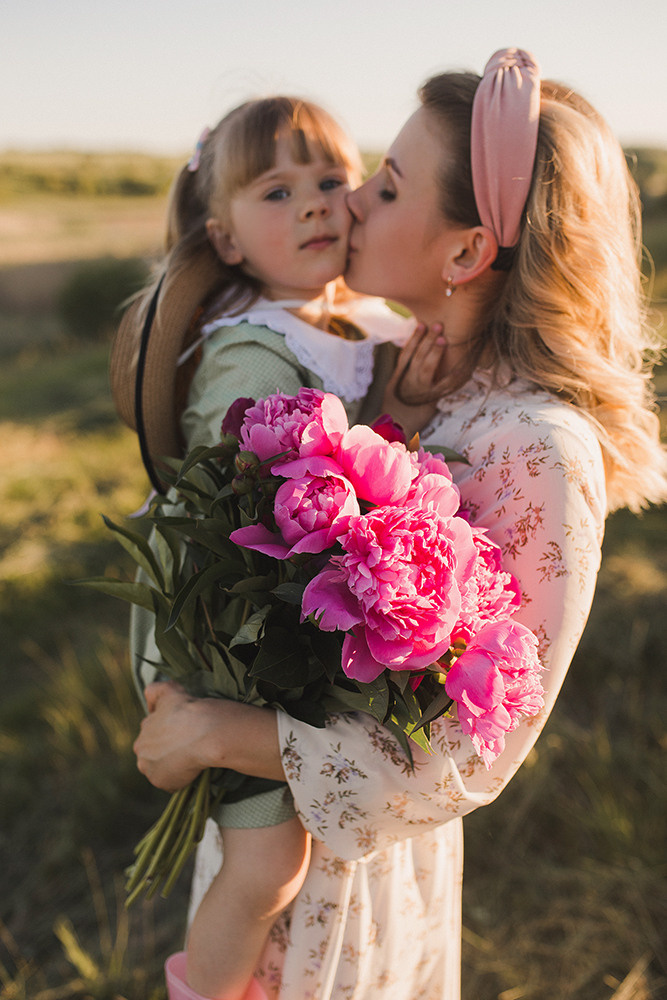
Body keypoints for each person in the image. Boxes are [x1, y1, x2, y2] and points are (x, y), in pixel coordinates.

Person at [132, 50, 667, 1000]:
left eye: (383, 185)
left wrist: (217, 733)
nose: (348, 206)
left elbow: (468, 753)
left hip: (358, 875)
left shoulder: (535, 446)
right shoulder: (418, 378)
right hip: (270, 836)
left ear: (465, 253)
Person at [110, 97, 411, 1000]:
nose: (316, 204)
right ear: (226, 240)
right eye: (277, 192)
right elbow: (218, 521)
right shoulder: (251, 354)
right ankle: (205, 990)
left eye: (329, 179)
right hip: (218, 628)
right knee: (269, 858)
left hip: (271, 607)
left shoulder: (342, 322)